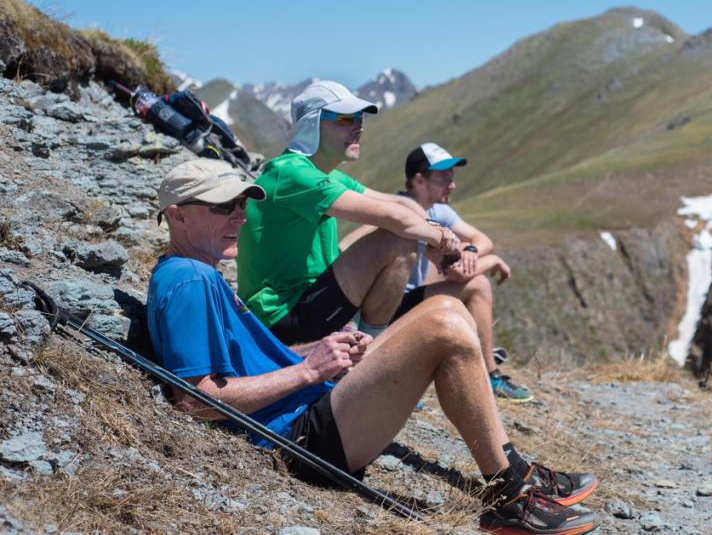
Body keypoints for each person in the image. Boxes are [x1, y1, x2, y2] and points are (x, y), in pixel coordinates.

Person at [146, 159, 599, 534]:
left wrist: (320, 351)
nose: (240, 217)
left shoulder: (198, 274)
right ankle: (511, 494)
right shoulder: (189, 279)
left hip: (311, 414)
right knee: (443, 324)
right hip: (300, 440)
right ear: (178, 215)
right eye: (224, 206)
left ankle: (514, 471)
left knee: (449, 308)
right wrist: (309, 371)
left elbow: (240, 367)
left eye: (242, 204)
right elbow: (195, 400)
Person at [236, 80, 461, 345]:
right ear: (312, 123)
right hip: (281, 318)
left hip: (307, 300)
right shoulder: (292, 174)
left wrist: (434, 229)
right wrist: (441, 240)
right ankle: (372, 352)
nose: (359, 127)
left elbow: (399, 204)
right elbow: (392, 217)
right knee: (398, 238)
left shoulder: (322, 174)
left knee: (395, 228)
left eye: (360, 119)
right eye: (345, 118)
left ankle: (365, 346)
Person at [343, 142, 530, 402]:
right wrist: (492, 260)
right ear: (419, 180)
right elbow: (459, 274)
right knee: (478, 285)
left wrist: (471, 250)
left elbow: (481, 239)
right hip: (381, 309)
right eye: (443, 178)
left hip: (405, 301)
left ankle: (485, 373)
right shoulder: (400, 211)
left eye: (451, 177)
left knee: (476, 284)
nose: (452, 185)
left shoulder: (438, 211)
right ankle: (489, 375)